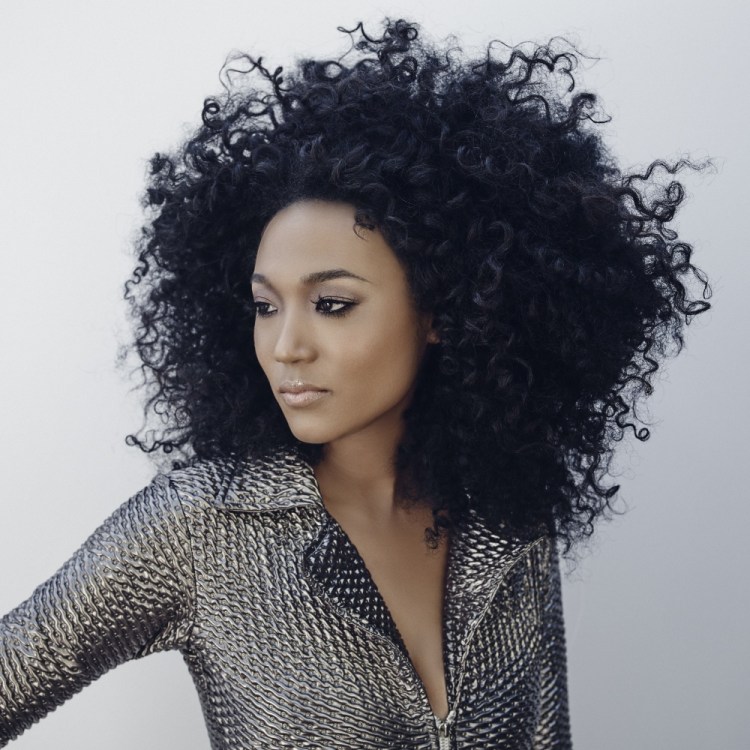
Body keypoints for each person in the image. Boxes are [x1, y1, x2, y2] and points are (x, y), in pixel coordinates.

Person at [0, 17, 711, 749]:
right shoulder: (202, 527)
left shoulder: (507, 519)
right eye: (265, 307)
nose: (286, 346)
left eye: (333, 304)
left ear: (442, 311)